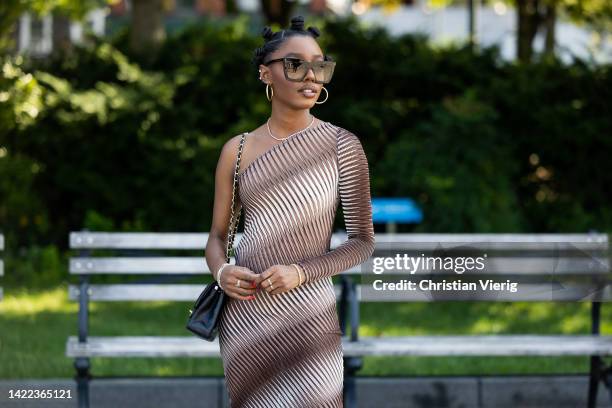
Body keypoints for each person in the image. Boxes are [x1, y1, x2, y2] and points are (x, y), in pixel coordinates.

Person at [205, 15, 376, 407]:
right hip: (247, 316)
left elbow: (363, 242)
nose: (311, 76)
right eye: (295, 65)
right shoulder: (238, 150)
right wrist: (223, 271)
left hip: (311, 314)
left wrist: (300, 273)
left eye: (320, 65)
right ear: (266, 74)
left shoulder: (342, 146)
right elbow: (217, 237)